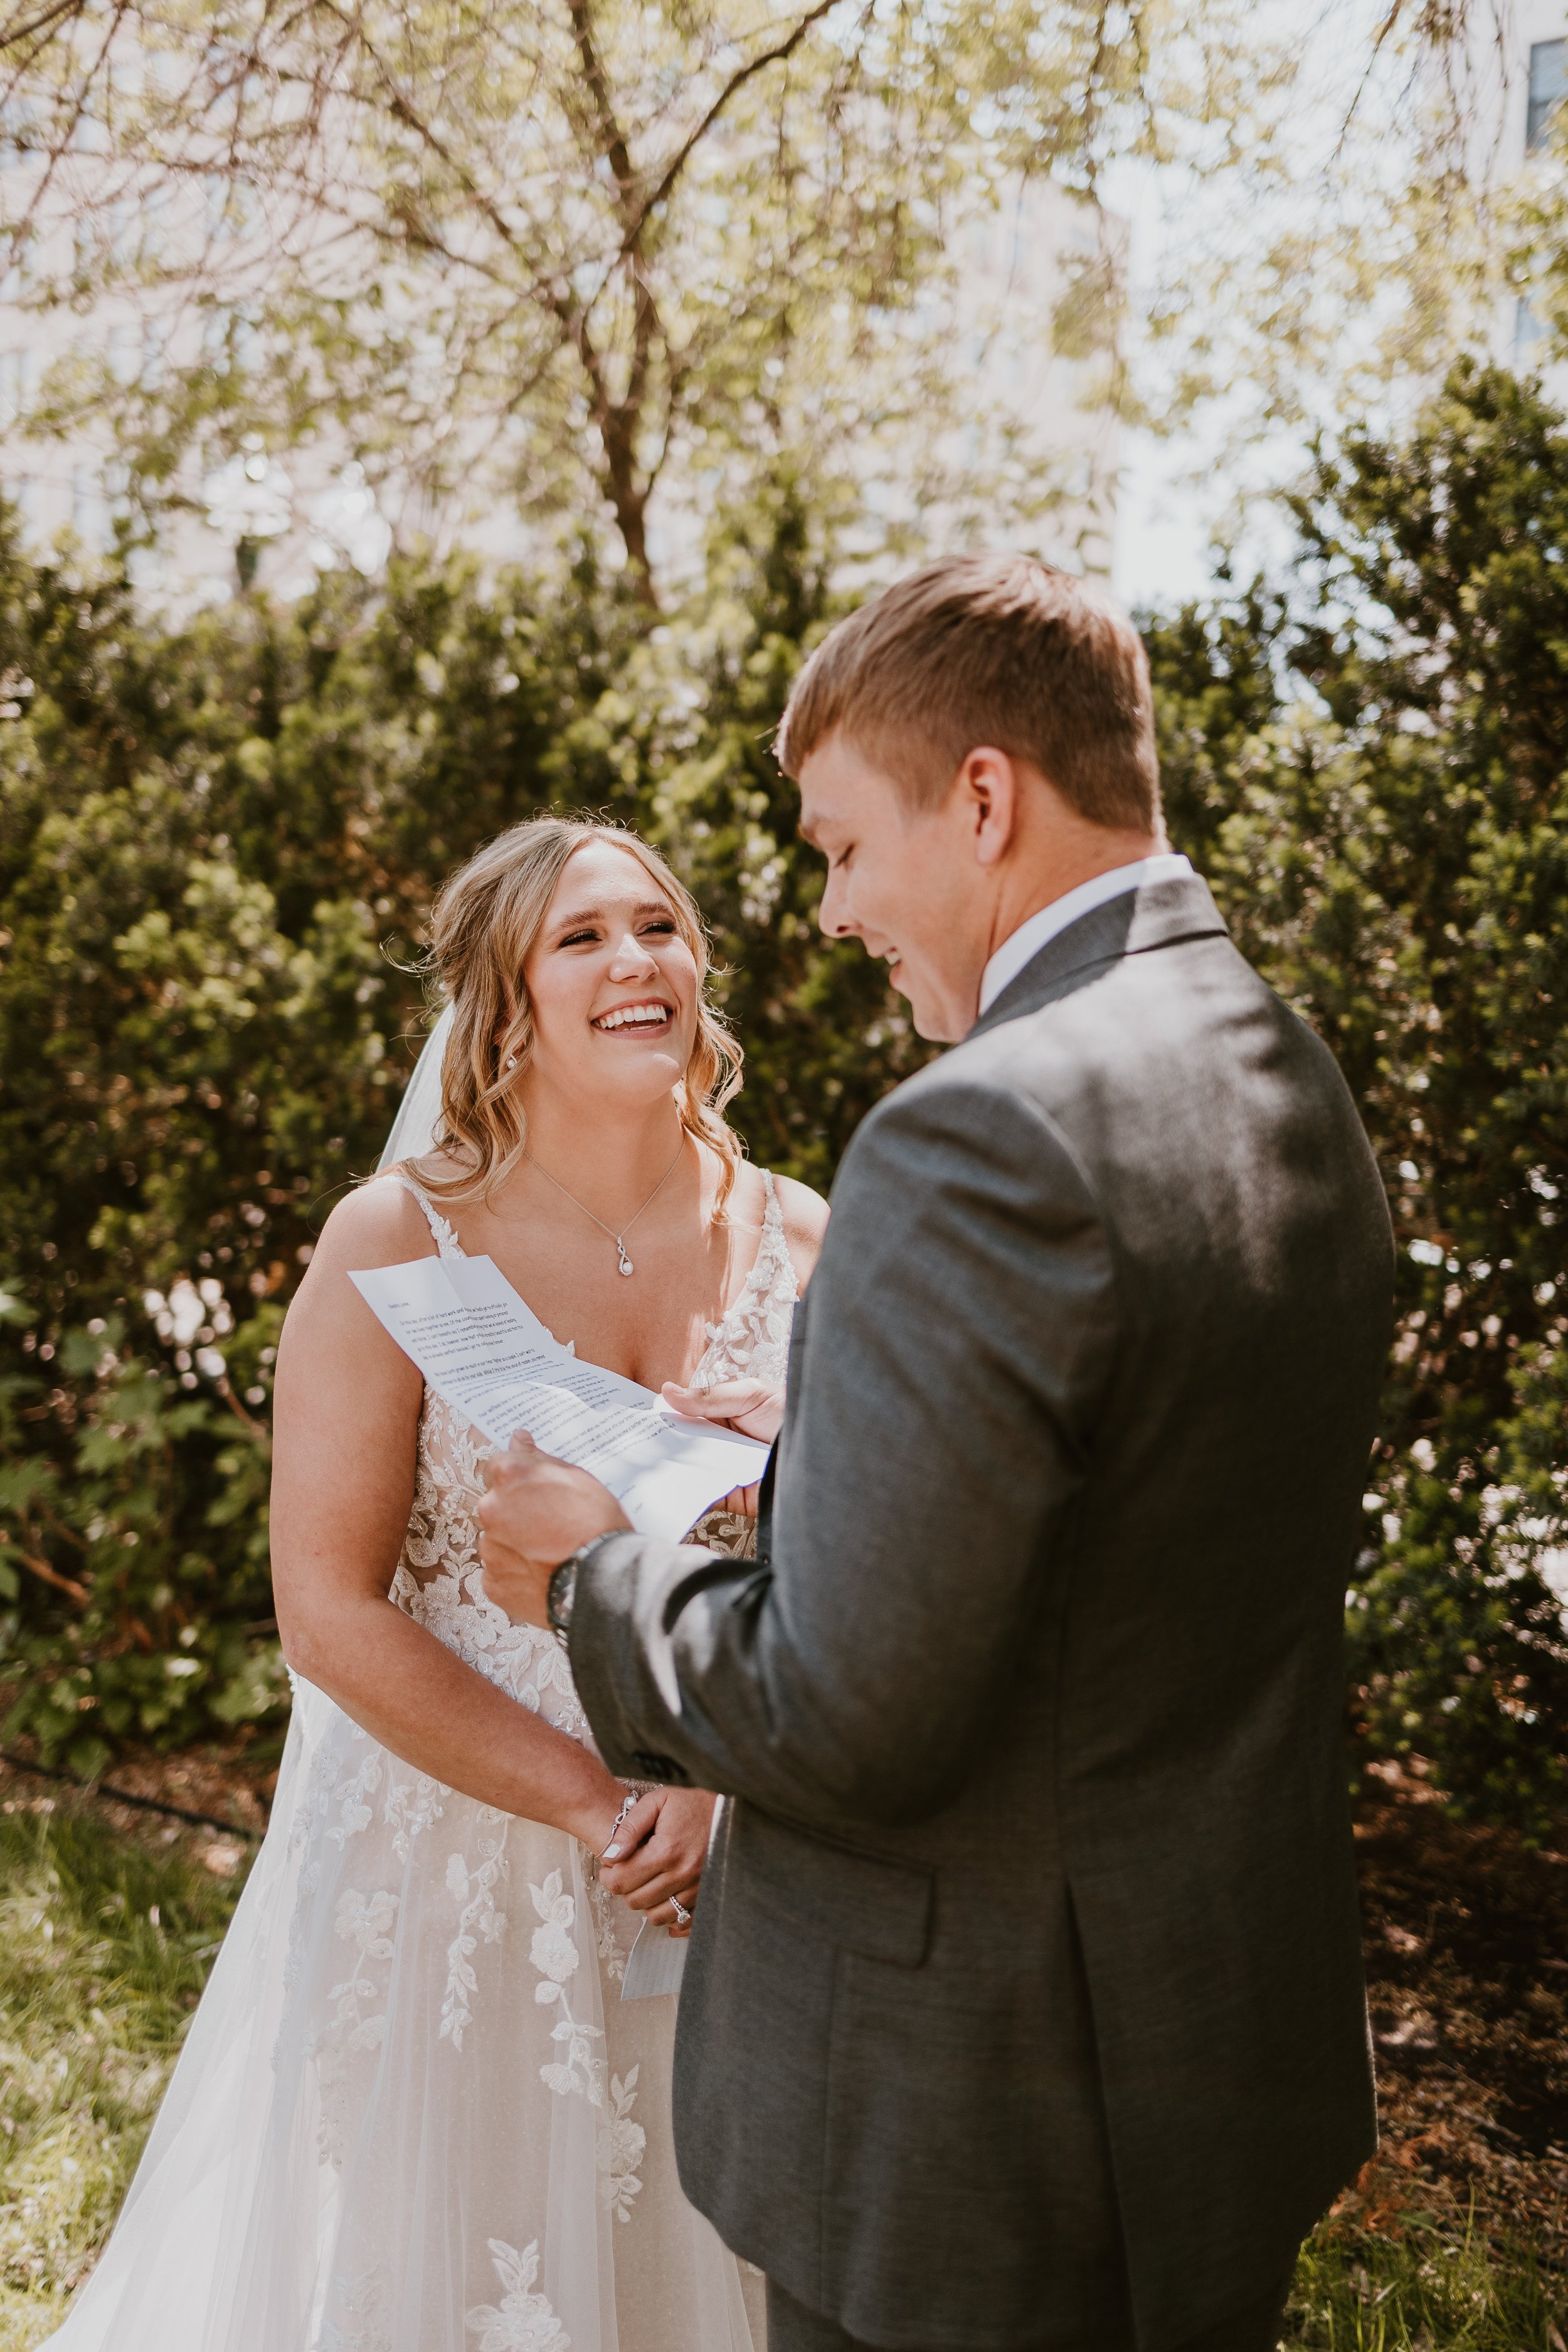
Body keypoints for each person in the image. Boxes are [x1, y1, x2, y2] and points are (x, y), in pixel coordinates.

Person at [473, 557, 1397, 2352]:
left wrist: (592, 1567)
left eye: (838, 846)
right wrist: (829, 1438)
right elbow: (1141, 1496)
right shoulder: (1279, 1063)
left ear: (982, 798)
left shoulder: (973, 1130)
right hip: (1209, 2039)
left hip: (967, 2107)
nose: (829, 910)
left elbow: (849, 1711)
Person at [43, 815, 827, 2352]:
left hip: (734, 1832)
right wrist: (591, 1805)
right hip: (464, 1848)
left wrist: (716, 1790)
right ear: (500, 999)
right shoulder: (397, 1241)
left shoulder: (799, 1230)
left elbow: (859, 1561)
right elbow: (328, 1613)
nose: (634, 962)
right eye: (580, 938)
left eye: (658, 926)